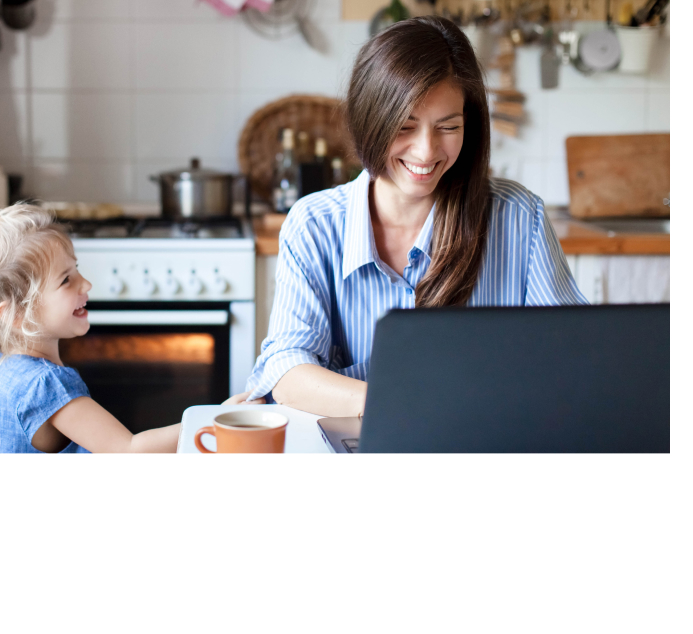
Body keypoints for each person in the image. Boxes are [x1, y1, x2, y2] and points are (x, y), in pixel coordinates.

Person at [245, 16, 584, 417]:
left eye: (448, 127)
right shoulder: (314, 224)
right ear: (369, 120)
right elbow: (288, 372)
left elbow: (571, 359)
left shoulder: (519, 219)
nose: (426, 152)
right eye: (405, 126)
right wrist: (406, 404)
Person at [0, 204, 181, 453]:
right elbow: (128, 451)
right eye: (66, 279)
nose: (85, 284)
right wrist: (211, 423)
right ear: (16, 313)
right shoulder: (45, 385)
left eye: (77, 270)